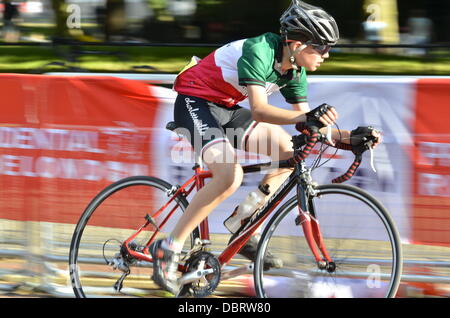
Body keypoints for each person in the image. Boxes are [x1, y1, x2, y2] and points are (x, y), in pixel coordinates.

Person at [150, 0, 382, 295]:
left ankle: (243, 220)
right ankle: (169, 247)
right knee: (228, 176)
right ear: (297, 44)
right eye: (322, 47)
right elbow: (260, 110)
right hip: (195, 102)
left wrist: (351, 137)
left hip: (227, 107)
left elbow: (312, 124)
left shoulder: (295, 71)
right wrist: (307, 118)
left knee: (288, 151)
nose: (327, 54)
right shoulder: (259, 50)